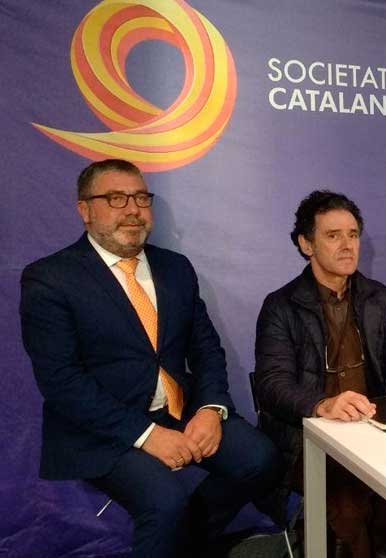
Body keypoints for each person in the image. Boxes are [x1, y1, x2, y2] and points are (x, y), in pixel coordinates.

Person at [20, 159, 281, 558]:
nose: (133, 209)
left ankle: (186, 544)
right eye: (115, 198)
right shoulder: (50, 278)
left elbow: (206, 348)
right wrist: (146, 435)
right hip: (103, 428)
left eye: (142, 197)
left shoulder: (175, 268)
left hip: (180, 409)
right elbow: (62, 383)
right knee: (163, 499)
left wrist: (211, 409)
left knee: (259, 459)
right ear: (84, 210)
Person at [254, 190, 386, 558]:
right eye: (333, 235)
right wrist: (322, 404)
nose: (347, 245)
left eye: (353, 235)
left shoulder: (376, 297)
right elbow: (271, 384)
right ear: (306, 244)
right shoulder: (281, 305)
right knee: (349, 506)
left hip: (372, 430)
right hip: (309, 439)